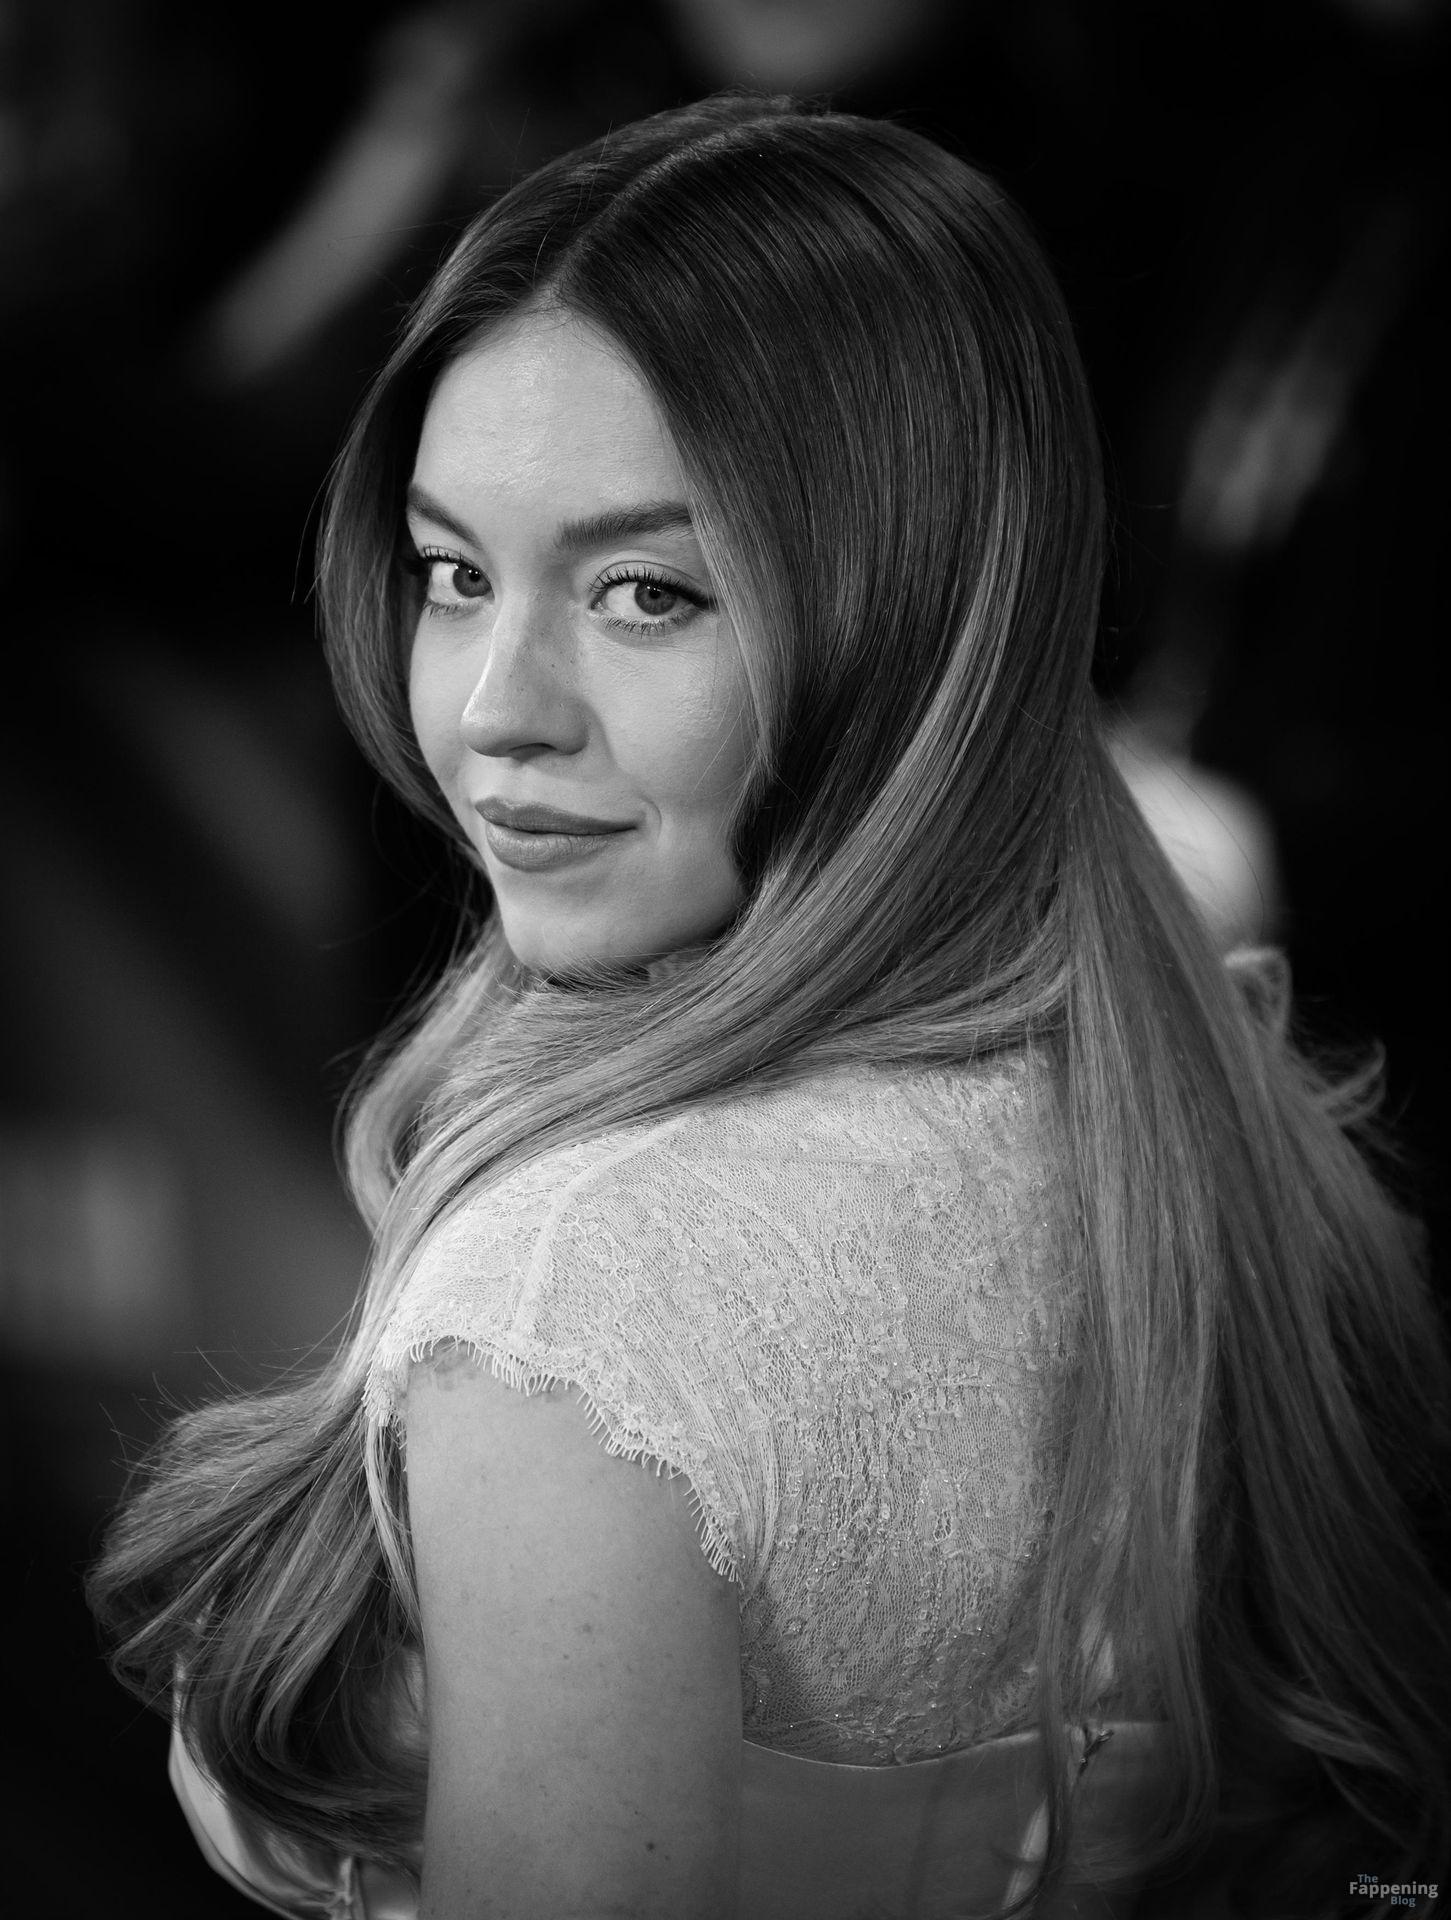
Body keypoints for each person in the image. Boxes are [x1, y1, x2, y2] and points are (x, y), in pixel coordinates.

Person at [88, 96, 1451, 1919]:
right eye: (455, 573)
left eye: (646, 594)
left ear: (917, 622)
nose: (495, 710)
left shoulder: (580, 1305)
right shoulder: (1212, 1088)